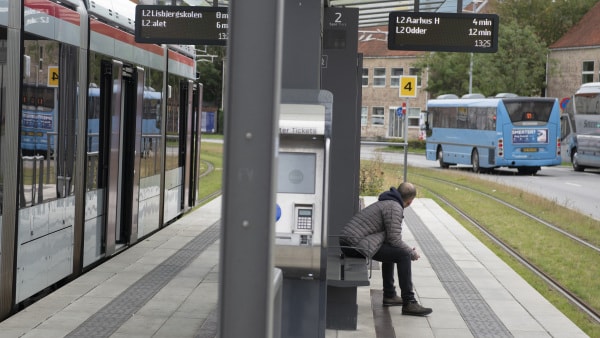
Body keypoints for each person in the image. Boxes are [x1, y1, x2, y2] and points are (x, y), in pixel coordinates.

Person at [339, 182, 432, 316]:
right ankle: (409, 303)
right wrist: (411, 253)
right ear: (410, 201)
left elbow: (391, 240)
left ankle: (390, 295)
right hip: (353, 244)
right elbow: (395, 240)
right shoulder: (394, 207)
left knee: (394, 251)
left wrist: (404, 249)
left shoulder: (388, 202)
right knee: (403, 255)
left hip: (349, 241)